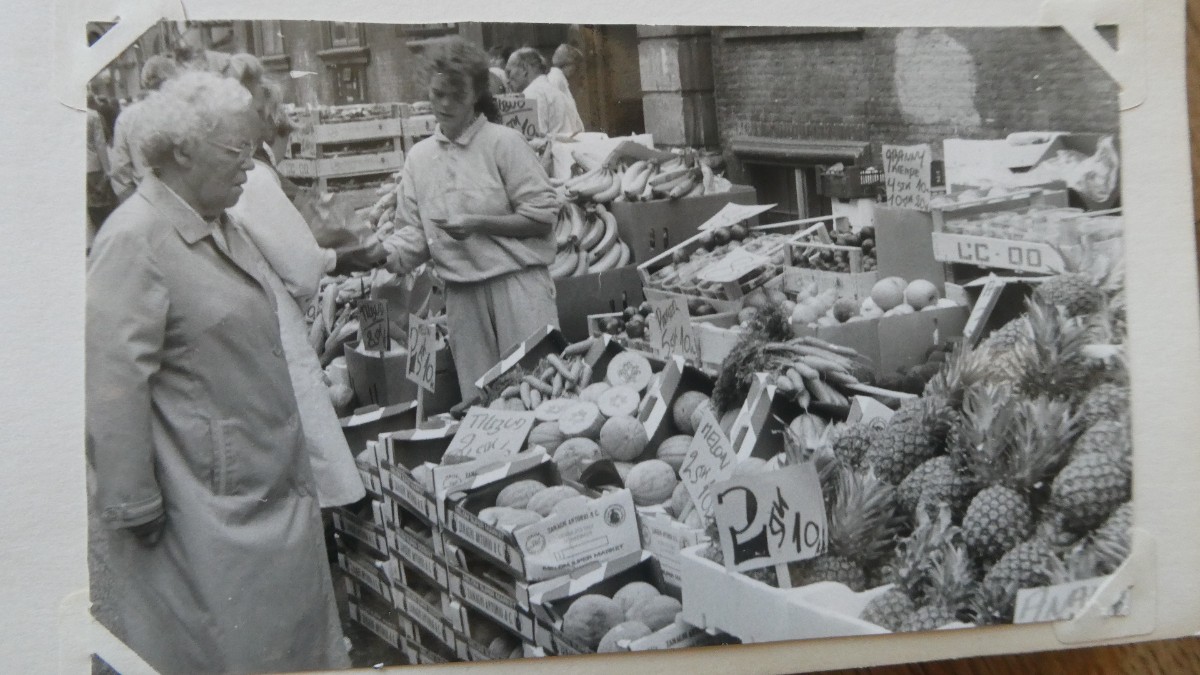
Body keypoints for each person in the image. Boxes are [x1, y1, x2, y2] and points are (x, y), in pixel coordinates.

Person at [86, 71, 348, 674]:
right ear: (183, 150)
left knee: (275, 640)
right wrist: (132, 502)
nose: (250, 165)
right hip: (202, 502)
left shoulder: (215, 222)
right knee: (229, 646)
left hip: (254, 484)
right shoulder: (135, 239)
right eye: (237, 149)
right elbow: (111, 383)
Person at [223, 61, 370, 510]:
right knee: (313, 455)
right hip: (275, 328)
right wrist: (336, 260)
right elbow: (303, 268)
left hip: (244, 336)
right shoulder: (253, 179)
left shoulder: (231, 178)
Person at [382, 38, 561, 402]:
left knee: (541, 398)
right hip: (462, 298)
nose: (445, 104)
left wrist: (479, 223)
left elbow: (542, 217)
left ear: (476, 93)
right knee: (483, 405)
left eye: (457, 95)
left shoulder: (503, 143)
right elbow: (413, 234)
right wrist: (380, 253)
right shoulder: (419, 158)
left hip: (517, 287)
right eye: (438, 94)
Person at [108, 54, 179, 202]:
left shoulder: (127, 117)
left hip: (147, 196)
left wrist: (135, 204)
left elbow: (119, 171)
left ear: (144, 81)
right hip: (186, 199)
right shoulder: (183, 110)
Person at [505, 46, 584, 138]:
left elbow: (534, 141)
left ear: (524, 69)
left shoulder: (531, 95)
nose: (507, 80)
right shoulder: (558, 93)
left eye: (509, 72)